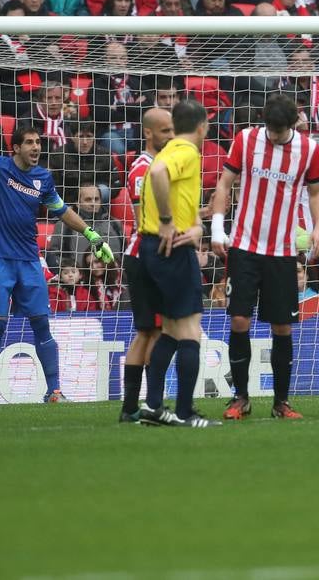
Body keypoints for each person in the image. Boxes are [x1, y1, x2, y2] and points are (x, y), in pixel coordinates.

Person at [0, 92, 116, 405]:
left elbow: (62, 210)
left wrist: (92, 234)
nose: (36, 147)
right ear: (15, 147)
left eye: (38, 142)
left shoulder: (43, 178)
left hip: (29, 260)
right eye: (29, 142)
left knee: (42, 323)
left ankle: (54, 390)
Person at [209, 94, 319, 421]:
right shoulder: (246, 139)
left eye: (280, 129)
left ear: (293, 124)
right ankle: (241, 398)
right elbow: (225, 183)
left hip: (283, 250)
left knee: (282, 327)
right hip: (245, 246)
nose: (274, 135)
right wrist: (218, 229)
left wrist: (318, 228)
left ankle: (281, 402)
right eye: (270, 128)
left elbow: (315, 193)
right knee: (239, 320)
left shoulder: (309, 150)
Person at [138, 99, 219, 428]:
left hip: (152, 245)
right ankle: (185, 412)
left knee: (171, 330)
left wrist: (197, 221)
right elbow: (156, 174)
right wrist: (170, 222)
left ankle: (153, 406)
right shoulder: (186, 151)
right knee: (190, 331)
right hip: (170, 247)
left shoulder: (170, 148)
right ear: (202, 126)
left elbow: (159, 177)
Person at [117, 107, 173, 423]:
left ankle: (133, 407)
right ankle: (147, 405)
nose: (171, 135)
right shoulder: (142, 169)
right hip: (146, 257)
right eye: (165, 130)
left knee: (151, 331)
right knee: (153, 332)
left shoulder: (160, 166)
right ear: (149, 133)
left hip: (151, 257)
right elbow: (144, 222)